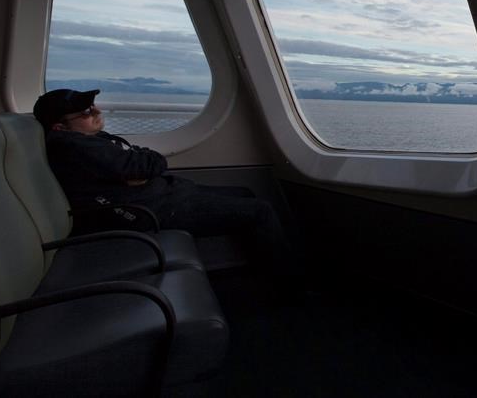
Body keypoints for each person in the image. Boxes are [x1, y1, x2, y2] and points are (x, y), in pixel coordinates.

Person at [33, 88, 298, 282]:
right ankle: (288, 285)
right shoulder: (73, 145)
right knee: (260, 210)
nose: (97, 112)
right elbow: (144, 164)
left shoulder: (93, 139)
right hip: (148, 211)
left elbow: (141, 162)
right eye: (86, 112)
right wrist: (141, 167)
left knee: (244, 193)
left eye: (93, 107)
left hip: (159, 196)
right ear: (59, 127)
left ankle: (262, 272)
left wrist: (141, 167)